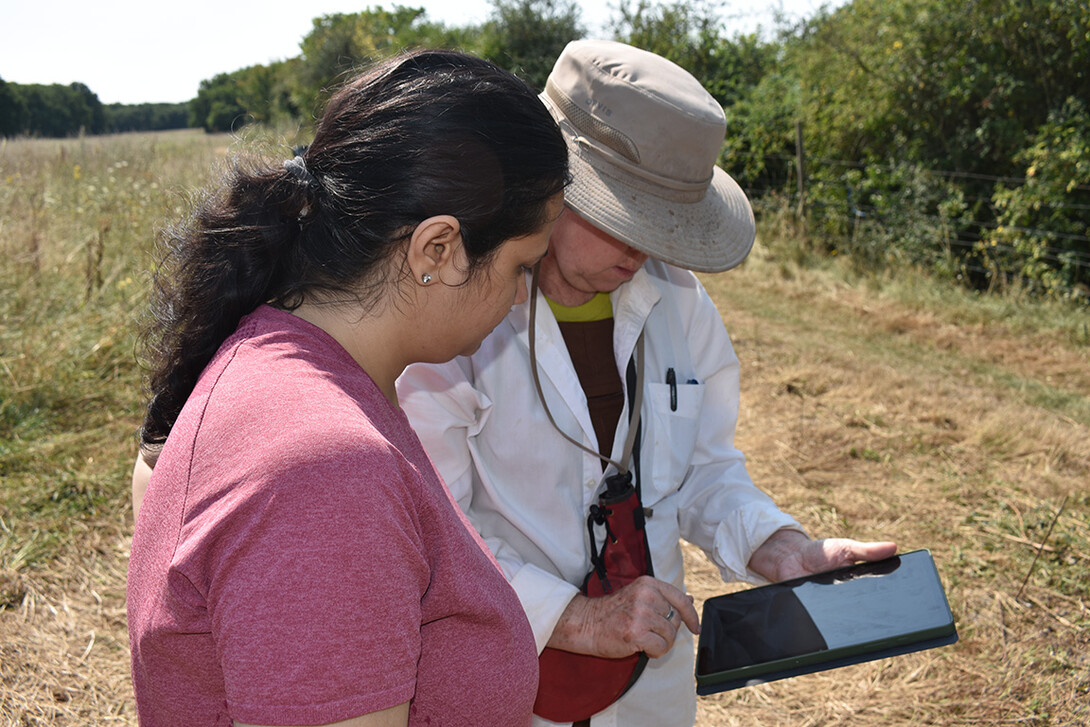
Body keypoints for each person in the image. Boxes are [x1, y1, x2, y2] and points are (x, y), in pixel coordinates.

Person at [396, 40, 897, 727]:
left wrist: (781, 549)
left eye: (663, 223)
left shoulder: (680, 302)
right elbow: (435, 528)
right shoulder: (452, 319)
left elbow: (703, 470)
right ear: (550, 181)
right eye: (619, 213)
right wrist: (575, 617)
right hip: (506, 676)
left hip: (650, 682)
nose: (642, 248)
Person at [126, 49, 568, 727]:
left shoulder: (300, 372)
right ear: (437, 250)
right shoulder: (326, 470)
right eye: (522, 267)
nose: (519, 299)